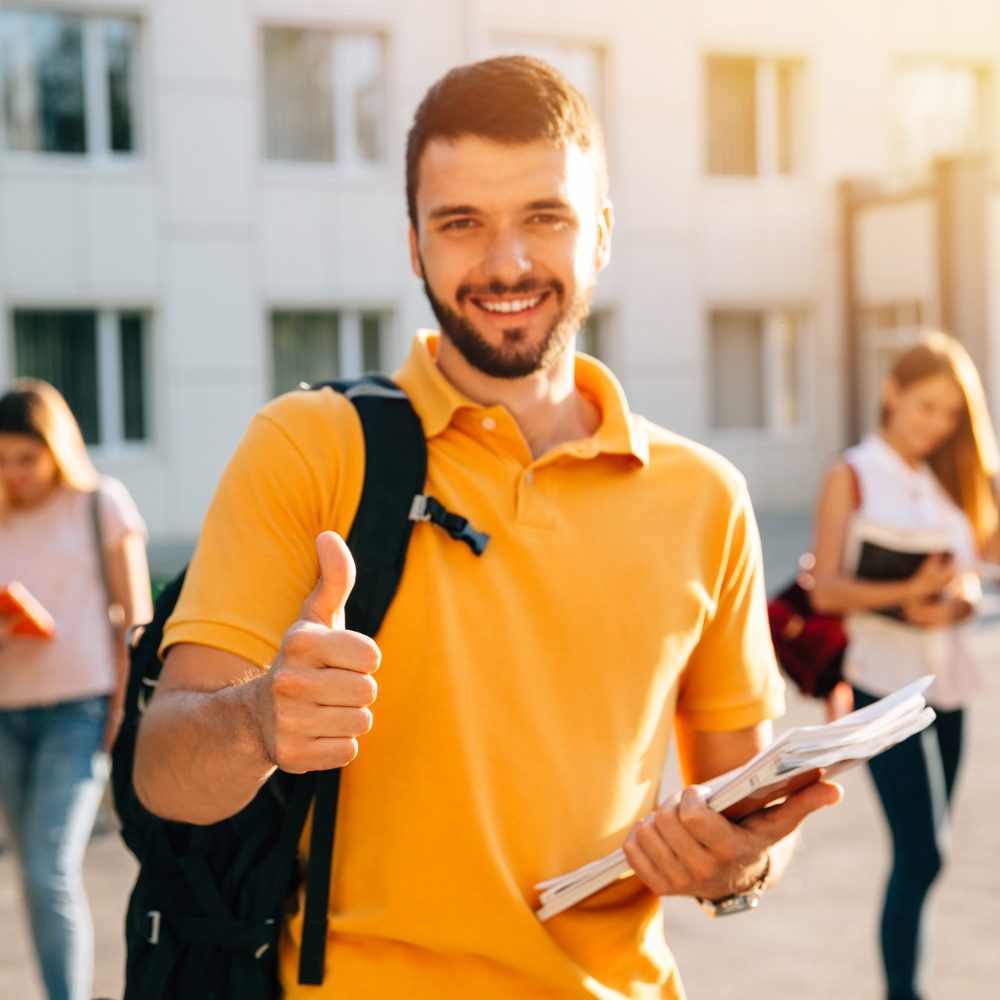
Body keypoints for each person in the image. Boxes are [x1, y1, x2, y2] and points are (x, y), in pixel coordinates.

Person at [133, 56, 840, 999]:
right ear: (415, 247)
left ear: (601, 236)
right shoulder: (309, 448)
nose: (506, 264)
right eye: (461, 223)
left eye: (544, 217)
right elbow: (166, 771)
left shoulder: (705, 497)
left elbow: (744, 801)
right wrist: (261, 719)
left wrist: (735, 869)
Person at [808, 332, 998, 1000]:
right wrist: (906, 592)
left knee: (928, 855)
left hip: (947, 682)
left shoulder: (950, 477)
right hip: (880, 685)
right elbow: (826, 588)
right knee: (925, 852)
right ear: (891, 392)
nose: (936, 425)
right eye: (925, 407)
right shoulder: (852, 474)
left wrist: (959, 601)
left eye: (949, 413)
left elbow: (977, 569)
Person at [0, 378, 152, 1000]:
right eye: (3, 460)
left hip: (81, 710)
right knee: (31, 876)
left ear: (56, 448)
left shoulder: (100, 504)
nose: (16, 474)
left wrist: (121, 713)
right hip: (7, 713)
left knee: (47, 870)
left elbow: (136, 617)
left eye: (27, 458)